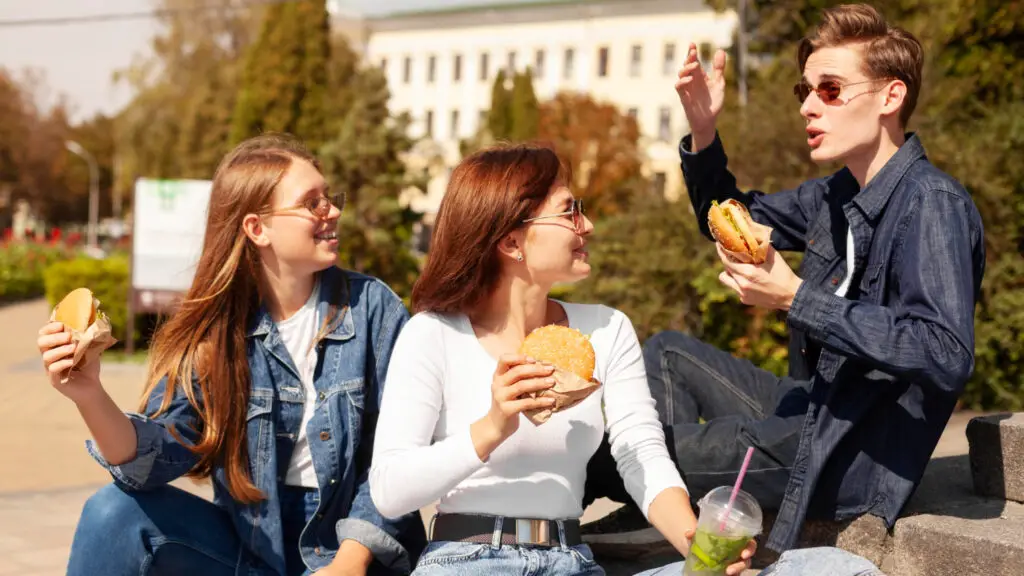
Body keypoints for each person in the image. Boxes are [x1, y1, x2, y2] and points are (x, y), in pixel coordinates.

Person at [584, 2, 985, 555]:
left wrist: (797, 297)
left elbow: (944, 352)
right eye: (805, 92)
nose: (808, 108)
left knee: (610, 452)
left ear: (891, 97)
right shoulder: (834, 195)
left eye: (830, 89)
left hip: (848, 449)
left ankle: (576, 521)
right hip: (807, 405)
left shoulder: (931, 203)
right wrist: (703, 132)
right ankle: (664, 511)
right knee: (670, 352)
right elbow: (727, 221)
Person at [37, 134, 427, 575]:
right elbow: (153, 457)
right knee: (113, 514)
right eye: (311, 202)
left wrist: (348, 563)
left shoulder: (374, 309)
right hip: (254, 550)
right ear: (257, 228)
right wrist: (89, 394)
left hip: (356, 550)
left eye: (329, 198)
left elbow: (397, 460)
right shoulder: (218, 330)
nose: (333, 211)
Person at [367, 144, 755, 575]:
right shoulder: (433, 333)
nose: (586, 225)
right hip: (467, 558)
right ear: (512, 240)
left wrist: (696, 545)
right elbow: (389, 488)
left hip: (572, 560)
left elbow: (639, 452)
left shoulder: (607, 328)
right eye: (569, 211)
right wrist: (491, 427)